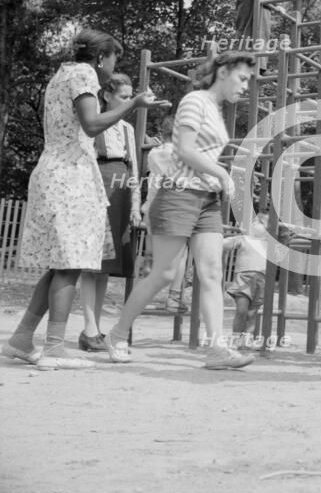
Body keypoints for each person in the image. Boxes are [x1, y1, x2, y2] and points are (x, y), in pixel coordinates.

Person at [1, 29, 167, 370]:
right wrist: (132, 105)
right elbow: (91, 125)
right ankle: (55, 348)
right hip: (69, 176)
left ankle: (21, 338)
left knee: (63, 263)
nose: (112, 68)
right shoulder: (84, 73)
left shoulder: (62, 74)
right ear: (101, 57)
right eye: (113, 60)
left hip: (58, 171)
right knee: (71, 263)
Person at [105, 51, 256, 370]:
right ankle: (117, 335)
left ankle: (216, 349)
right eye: (242, 78)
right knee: (165, 273)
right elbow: (185, 150)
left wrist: (215, 178)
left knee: (212, 272)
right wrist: (222, 173)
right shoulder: (195, 101)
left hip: (207, 201)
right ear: (224, 71)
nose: (245, 86)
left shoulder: (215, 109)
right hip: (178, 196)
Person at [78, 73, 142, 352]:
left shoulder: (127, 129)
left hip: (121, 188)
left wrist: (136, 204)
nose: (127, 102)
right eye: (123, 97)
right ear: (107, 96)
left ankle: (94, 330)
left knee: (106, 265)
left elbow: (135, 168)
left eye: (130, 97)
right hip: (98, 185)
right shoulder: (94, 124)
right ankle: (89, 329)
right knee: (92, 264)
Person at [141, 116, 189, 313]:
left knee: (150, 254)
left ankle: (143, 296)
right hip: (173, 209)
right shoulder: (183, 154)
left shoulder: (153, 153)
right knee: (180, 254)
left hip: (152, 209)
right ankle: (173, 298)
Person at [224, 211, 269, 350]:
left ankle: (247, 340)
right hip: (243, 279)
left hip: (261, 280)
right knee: (242, 310)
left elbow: (283, 255)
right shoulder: (244, 238)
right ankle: (236, 338)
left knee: (252, 313)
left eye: (260, 222)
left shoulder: (270, 243)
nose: (255, 224)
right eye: (254, 221)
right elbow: (223, 244)